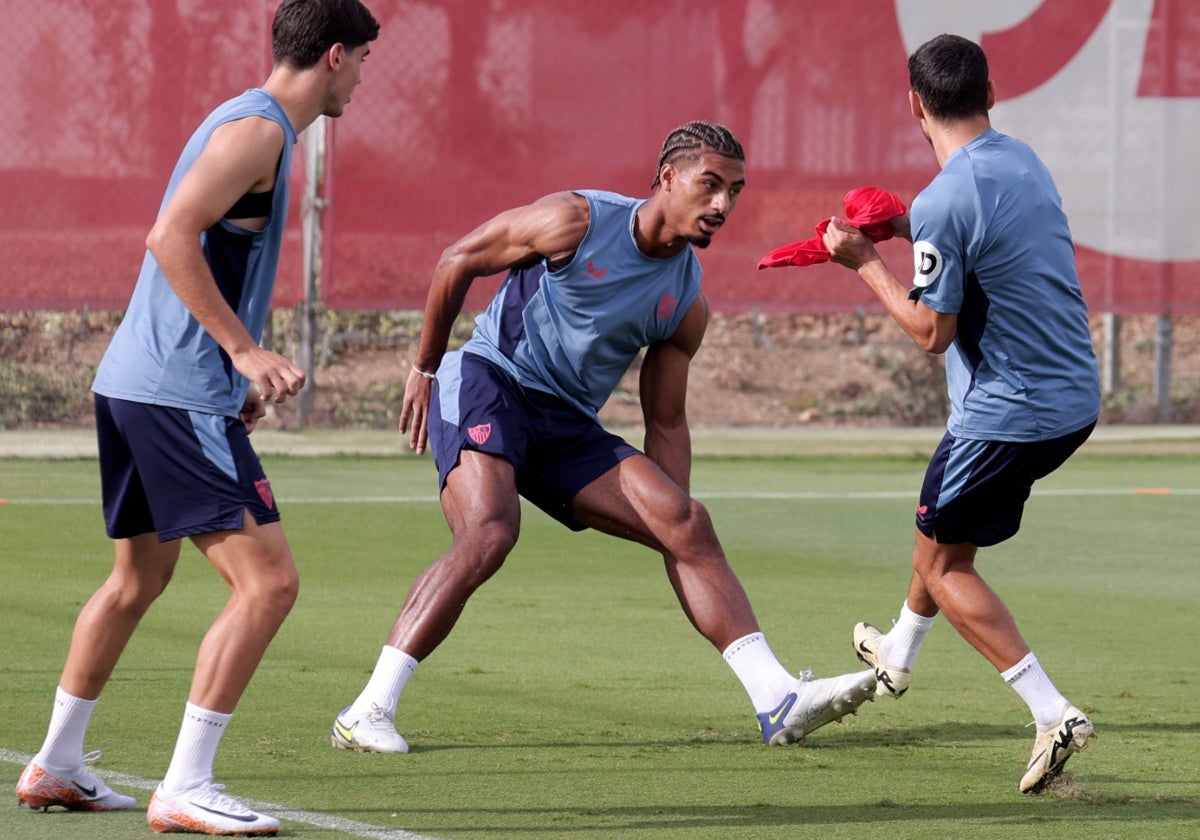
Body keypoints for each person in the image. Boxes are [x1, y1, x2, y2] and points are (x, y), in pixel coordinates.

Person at [330, 120, 876, 754]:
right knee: (489, 530)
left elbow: (666, 420)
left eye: (735, 190)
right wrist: (424, 367)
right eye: (710, 185)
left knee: (686, 520)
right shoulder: (576, 221)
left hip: (566, 422)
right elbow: (458, 260)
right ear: (667, 178)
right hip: (491, 380)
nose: (723, 205)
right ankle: (367, 710)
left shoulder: (684, 300)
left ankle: (777, 700)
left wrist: (676, 525)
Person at [15, 1, 379, 834]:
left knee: (138, 578)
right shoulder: (258, 131)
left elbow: (199, 249)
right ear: (332, 56)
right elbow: (170, 236)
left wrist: (232, 366)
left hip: (142, 384)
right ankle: (186, 785)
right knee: (269, 583)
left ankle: (58, 765)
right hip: (172, 393)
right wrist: (245, 352)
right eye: (360, 61)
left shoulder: (249, 125)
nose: (361, 77)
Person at [821, 34, 1101, 794]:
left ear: (914, 104)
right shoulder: (1022, 160)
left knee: (946, 563)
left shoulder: (945, 198)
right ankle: (899, 655)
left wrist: (866, 263)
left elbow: (928, 333)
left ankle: (1053, 713)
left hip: (1008, 411)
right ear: (993, 93)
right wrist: (913, 229)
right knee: (936, 526)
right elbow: (988, 244)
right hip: (1074, 399)